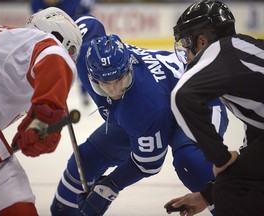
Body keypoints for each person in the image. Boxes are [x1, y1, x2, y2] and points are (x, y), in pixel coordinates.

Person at [50, 15, 228, 216]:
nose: (114, 89)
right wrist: (51, 48)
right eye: (105, 84)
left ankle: (234, 208)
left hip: (197, 102)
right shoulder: (85, 54)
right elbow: (88, 24)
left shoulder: (145, 105)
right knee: (85, 160)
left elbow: (149, 163)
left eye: (120, 79)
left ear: (129, 66)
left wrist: (110, 186)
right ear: (90, 74)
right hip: (142, 110)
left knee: (190, 161)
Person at [0, 7, 82, 216]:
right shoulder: (43, 43)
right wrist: (43, 119)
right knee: (3, 177)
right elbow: (56, 55)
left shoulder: (7, 48)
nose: (69, 57)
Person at [165, 0, 264, 215]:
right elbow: (258, 137)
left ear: (201, 41)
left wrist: (221, 158)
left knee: (231, 189)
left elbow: (182, 95)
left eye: (185, 44)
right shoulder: (243, 52)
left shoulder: (218, 51)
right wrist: (207, 195)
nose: (186, 54)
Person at [31, 0, 96, 106]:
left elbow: (86, 15)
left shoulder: (75, 4)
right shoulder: (36, 4)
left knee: (82, 62)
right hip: (55, 40)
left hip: (74, 37)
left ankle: (85, 91)